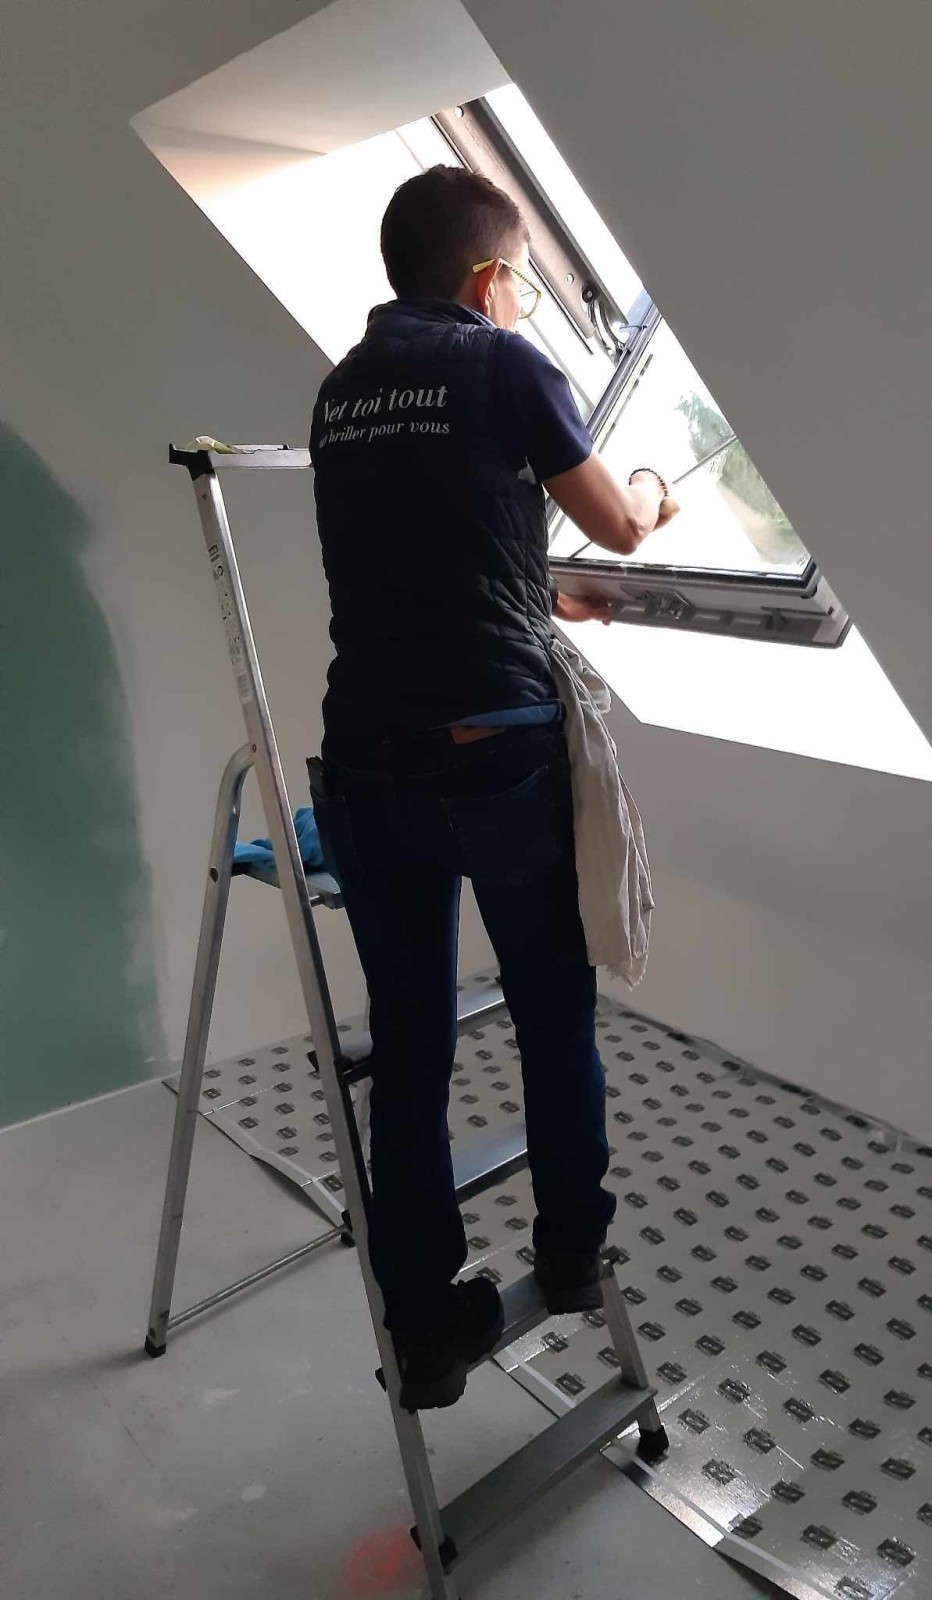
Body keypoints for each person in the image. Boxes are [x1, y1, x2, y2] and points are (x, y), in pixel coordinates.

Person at [308, 165, 678, 1410]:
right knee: (551, 1012)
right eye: (521, 279)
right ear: (487, 278)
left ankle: (424, 1326)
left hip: (365, 761)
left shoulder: (342, 389)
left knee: (408, 1038)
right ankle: (570, 1253)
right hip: (492, 753)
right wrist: (654, 493)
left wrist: (541, 592)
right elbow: (616, 524)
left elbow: (432, 550)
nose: (522, 299)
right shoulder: (503, 362)